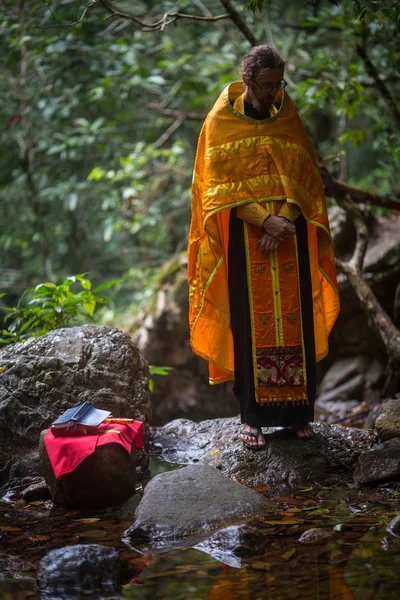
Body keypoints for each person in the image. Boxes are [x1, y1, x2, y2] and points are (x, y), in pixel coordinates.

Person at [188, 45, 340, 450]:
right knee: (249, 323)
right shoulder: (220, 121)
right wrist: (263, 220)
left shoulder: (287, 118)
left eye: (279, 84)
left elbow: (305, 178)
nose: (274, 93)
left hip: (289, 235)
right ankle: (252, 418)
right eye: (267, 85)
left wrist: (286, 219)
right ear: (249, 79)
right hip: (245, 236)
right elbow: (217, 188)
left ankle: (296, 415)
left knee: (297, 316)